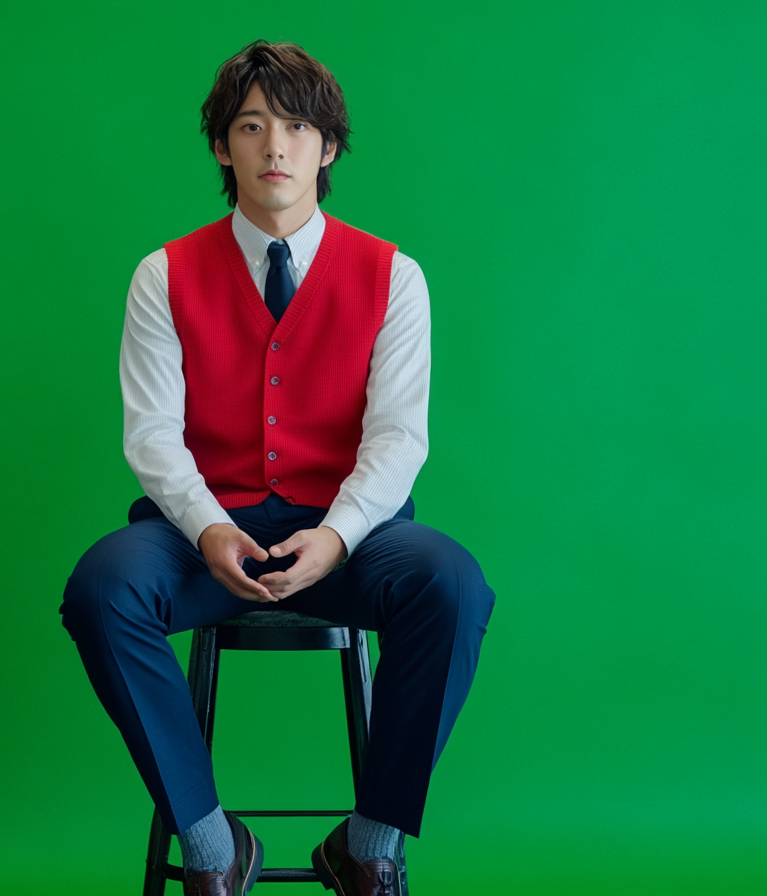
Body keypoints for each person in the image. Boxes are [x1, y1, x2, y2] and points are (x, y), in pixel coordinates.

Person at [60, 39, 496, 896]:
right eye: (252, 126)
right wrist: (211, 528)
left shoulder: (394, 278)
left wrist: (335, 538)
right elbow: (151, 433)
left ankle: (367, 845)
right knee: (102, 589)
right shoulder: (163, 274)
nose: (275, 147)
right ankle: (215, 845)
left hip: (351, 539)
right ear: (223, 147)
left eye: (297, 126)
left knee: (453, 586)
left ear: (327, 147)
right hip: (201, 537)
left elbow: (400, 439)